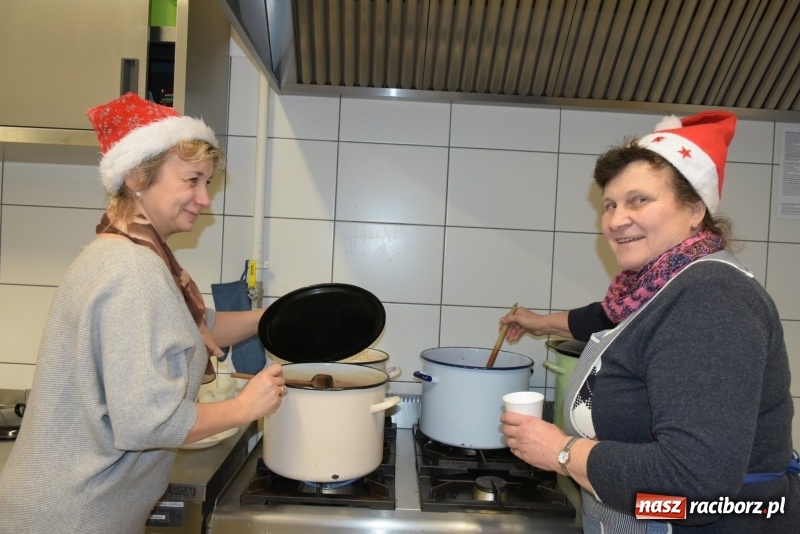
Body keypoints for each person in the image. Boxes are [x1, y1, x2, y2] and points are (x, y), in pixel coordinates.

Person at [499, 111, 799, 532]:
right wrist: (539, 322)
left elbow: (696, 486)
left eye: (639, 200)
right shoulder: (660, 287)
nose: (615, 219)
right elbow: (604, 318)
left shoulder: (711, 295)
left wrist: (563, 453)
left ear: (695, 208)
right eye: (610, 204)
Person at [0, 93, 286, 533]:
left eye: (207, 183)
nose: (204, 198)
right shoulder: (134, 269)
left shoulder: (124, 251)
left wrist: (277, 317)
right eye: (192, 180)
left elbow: (195, 328)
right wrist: (245, 406)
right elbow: (149, 422)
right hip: (73, 517)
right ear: (137, 176)